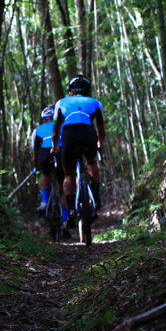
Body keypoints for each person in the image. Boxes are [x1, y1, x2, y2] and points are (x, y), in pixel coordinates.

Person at [50, 75, 106, 226]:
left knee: (68, 173)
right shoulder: (96, 103)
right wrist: (100, 146)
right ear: (88, 92)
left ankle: (71, 209)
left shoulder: (61, 102)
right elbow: (101, 131)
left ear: (70, 93)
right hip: (89, 133)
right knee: (91, 162)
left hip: (68, 136)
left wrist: (55, 147)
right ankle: (96, 197)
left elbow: (55, 132)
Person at [31, 104, 64, 213]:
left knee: (45, 173)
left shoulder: (37, 130)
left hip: (44, 154)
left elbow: (35, 152)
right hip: (60, 152)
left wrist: (36, 166)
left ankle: (44, 202)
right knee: (63, 177)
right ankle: (66, 215)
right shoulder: (63, 125)